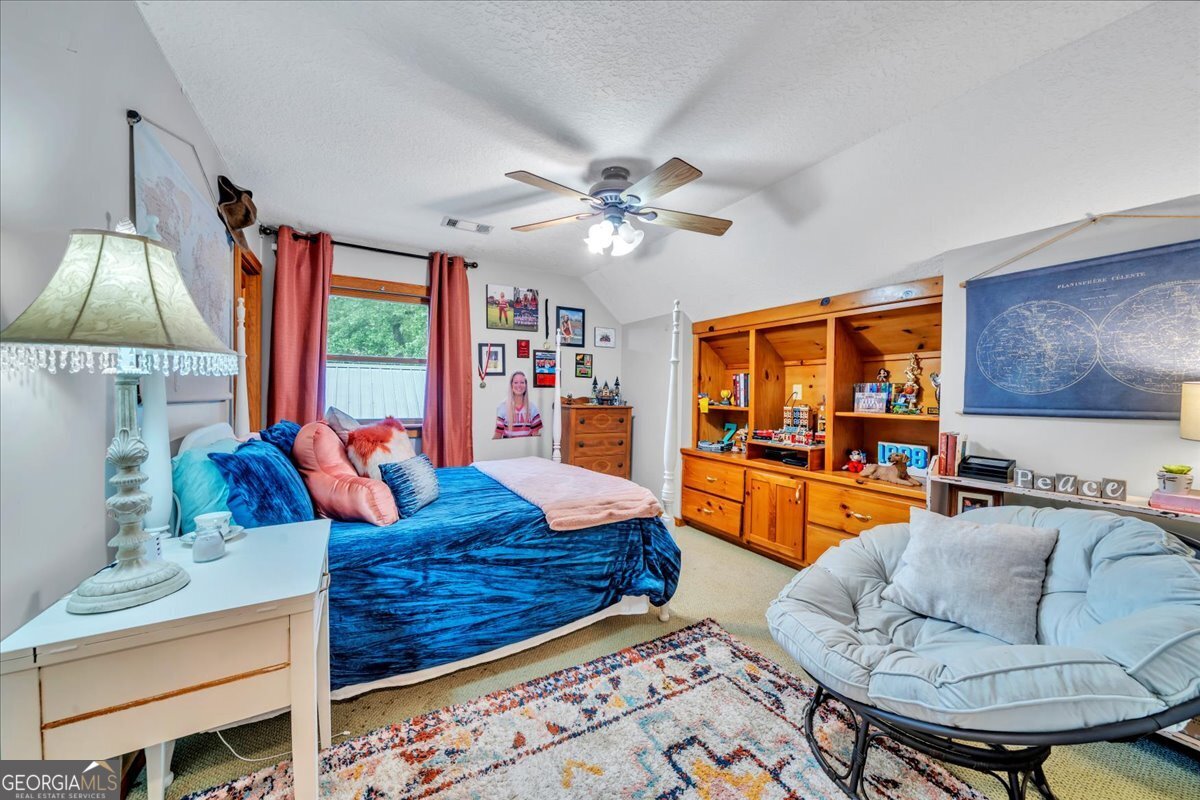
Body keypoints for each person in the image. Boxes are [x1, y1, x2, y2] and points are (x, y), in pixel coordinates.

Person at [494, 371, 542, 438]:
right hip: (508, 444)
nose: (519, 385)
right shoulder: (502, 407)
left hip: (527, 445)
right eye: (516, 382)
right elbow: (497, 435)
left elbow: (535, 436)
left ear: (525, 385)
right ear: (511, 385)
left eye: (522, 382)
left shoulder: (533, 407)